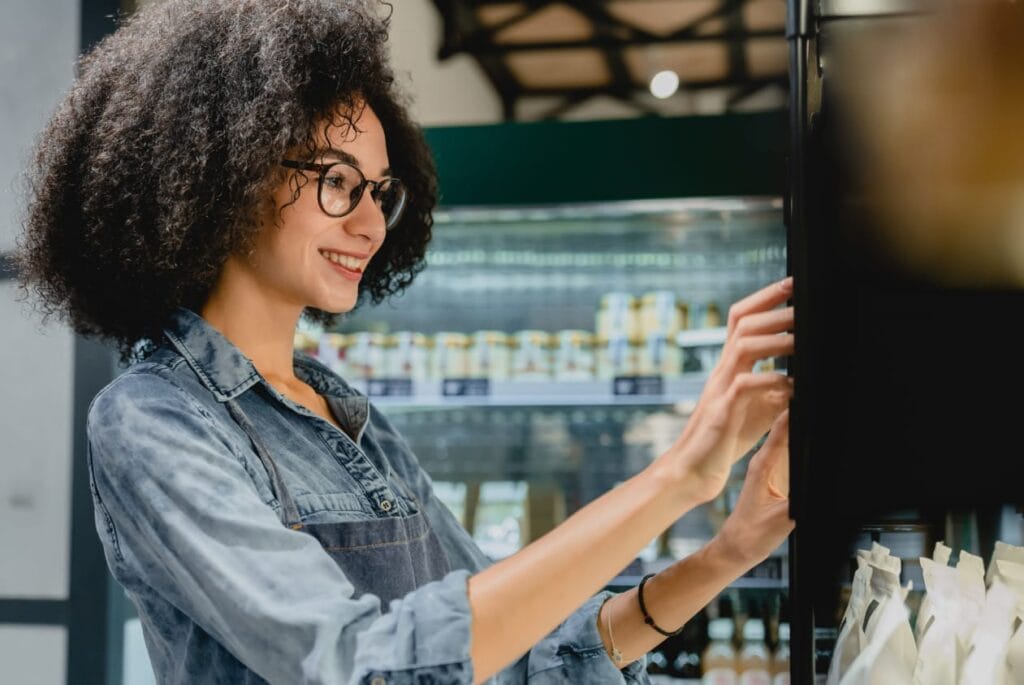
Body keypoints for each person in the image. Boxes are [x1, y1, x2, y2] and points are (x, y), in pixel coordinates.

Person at [17, 1, 795, 683]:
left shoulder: (346, 416)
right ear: (224, 174)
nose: (367, 224)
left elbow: (515, 654)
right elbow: (369, 665)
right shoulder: (153, 421)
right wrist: (678, 477)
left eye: (381, 191)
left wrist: (725, 552)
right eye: (337, 181)